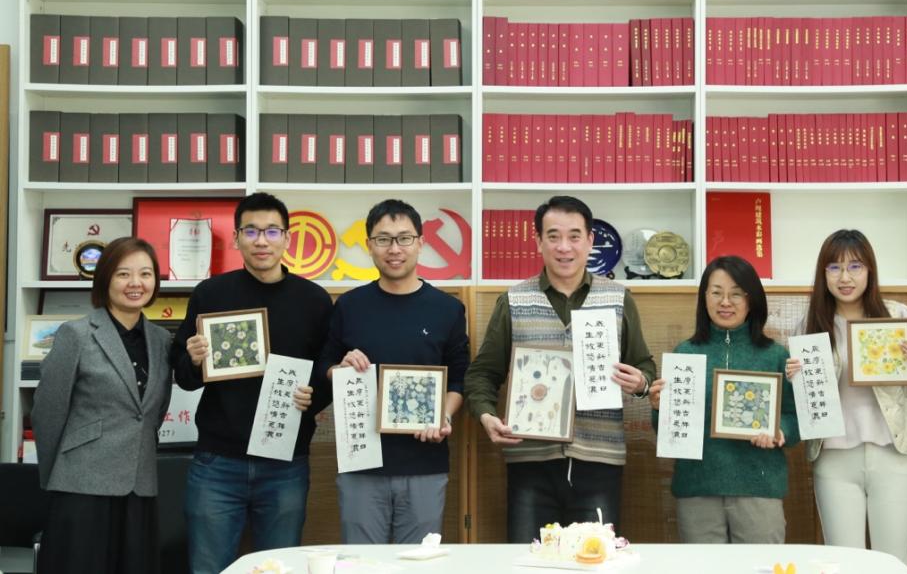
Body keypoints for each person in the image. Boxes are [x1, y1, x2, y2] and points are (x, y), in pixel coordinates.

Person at [463, 195, 656, 543]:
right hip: (530, 463)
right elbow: (482, 373)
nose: (564, 247)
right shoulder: (514, 300)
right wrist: (487, 416)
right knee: (530, 559)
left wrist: (641, 382)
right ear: (538, 241)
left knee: (595, 559)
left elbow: (644, 367)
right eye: (553, 236)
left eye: (574, 236)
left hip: (599, 462)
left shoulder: (617, 298)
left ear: (590, 240)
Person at [172, 192, 333, 574]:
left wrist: (313, 396)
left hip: (285, 463)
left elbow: (327, 371)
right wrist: (193, 359)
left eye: (272, 231)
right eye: (252, 231)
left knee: (279, 568)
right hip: (217, 462)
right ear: (236, 237)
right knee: (208, 568)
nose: (262, 240)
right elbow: (183, 376)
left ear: (287, 238)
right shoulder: (211, 294)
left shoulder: (314, 300)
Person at [317, 199, 470, 544]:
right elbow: (323, 366)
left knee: (417, 564)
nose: (394, 249)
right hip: (361, 461)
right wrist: (339, 369)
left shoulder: (447, 309)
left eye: (404, 238)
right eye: (383, 239)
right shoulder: (350, 306)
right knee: (361, 563)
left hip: (424, 462)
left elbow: (460, 378)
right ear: (369, 245)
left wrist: (443, 415)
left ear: (420, 242)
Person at [785, 229, 907, 567]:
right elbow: (801, 407)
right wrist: (795, 381)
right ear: (823, 274)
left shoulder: (897, 317)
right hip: (834, 459)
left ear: (870, 270)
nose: (845, 278)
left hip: (893, 454)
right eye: (834, 268)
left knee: (894, 561)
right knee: (844, 563)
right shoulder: (809, 327)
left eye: (855, 267)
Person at [32, 237, 173, 574]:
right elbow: (47, 412)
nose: (136, 283)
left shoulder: (162, 340)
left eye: (145, 274)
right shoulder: (76, 334)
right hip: (82, 485)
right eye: (124, 274)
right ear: (105, 278)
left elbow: (153, 414)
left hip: (139, 487)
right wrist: (60, 476)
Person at [648, 255, 799, 543]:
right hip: (697, 488)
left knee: (760, 564)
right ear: (704, 298)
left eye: (736, 294)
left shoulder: (775, 355)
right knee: (703, 565)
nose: (725, 302)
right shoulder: (685, 354)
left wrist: (780, 431)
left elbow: (795, 418)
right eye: (716, 293)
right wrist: (659, 409)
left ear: (751, 299)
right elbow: (669, 431)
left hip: (759, 487)